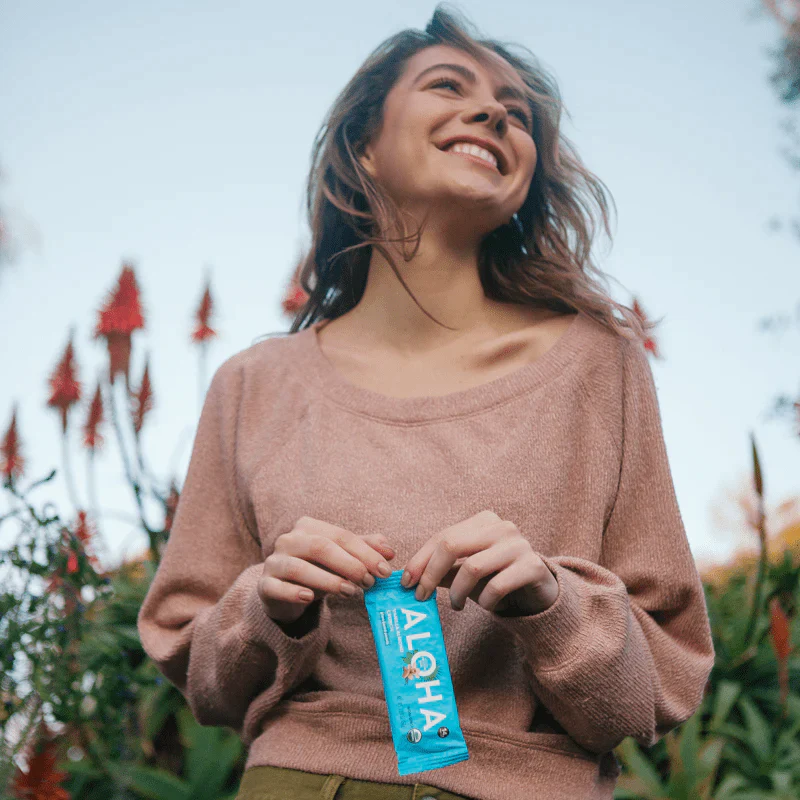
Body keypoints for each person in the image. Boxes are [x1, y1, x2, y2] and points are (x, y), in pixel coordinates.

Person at [136, 5, 716, 800]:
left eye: (517, 115)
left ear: (523, 181)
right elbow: (199, 674)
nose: (494, 114)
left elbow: (664, 683)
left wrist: (552, 602)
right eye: (450, 85)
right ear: (364, 146)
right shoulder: (254, 383)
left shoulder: (600, 367)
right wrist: (268, 604)